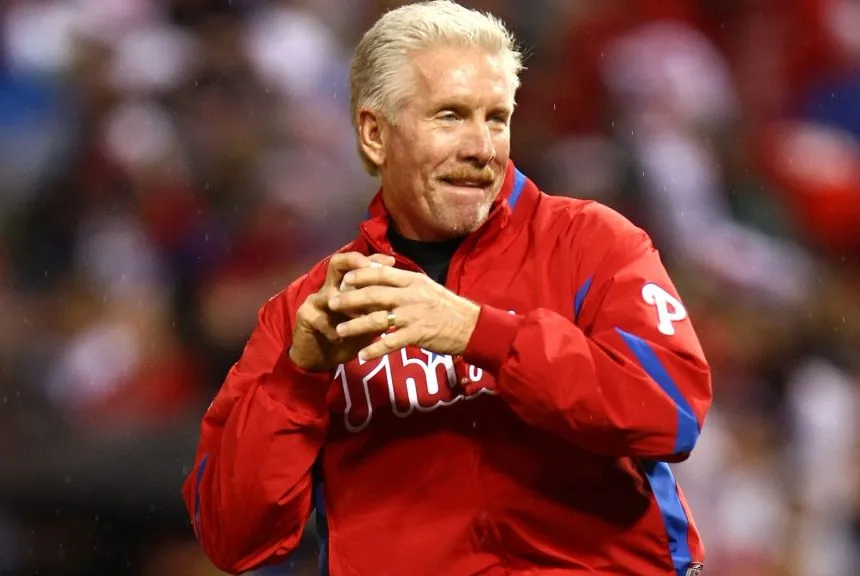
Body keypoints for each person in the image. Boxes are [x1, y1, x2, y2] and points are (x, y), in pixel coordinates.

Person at [181, 1, 713, 574]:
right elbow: (233, 538)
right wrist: (296, 380)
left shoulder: (591, 245)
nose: (482, 148)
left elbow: (670, 412)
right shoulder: (310, 311)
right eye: (450, 116)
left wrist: (479, 332)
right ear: (374, 134)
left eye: (497, 118)